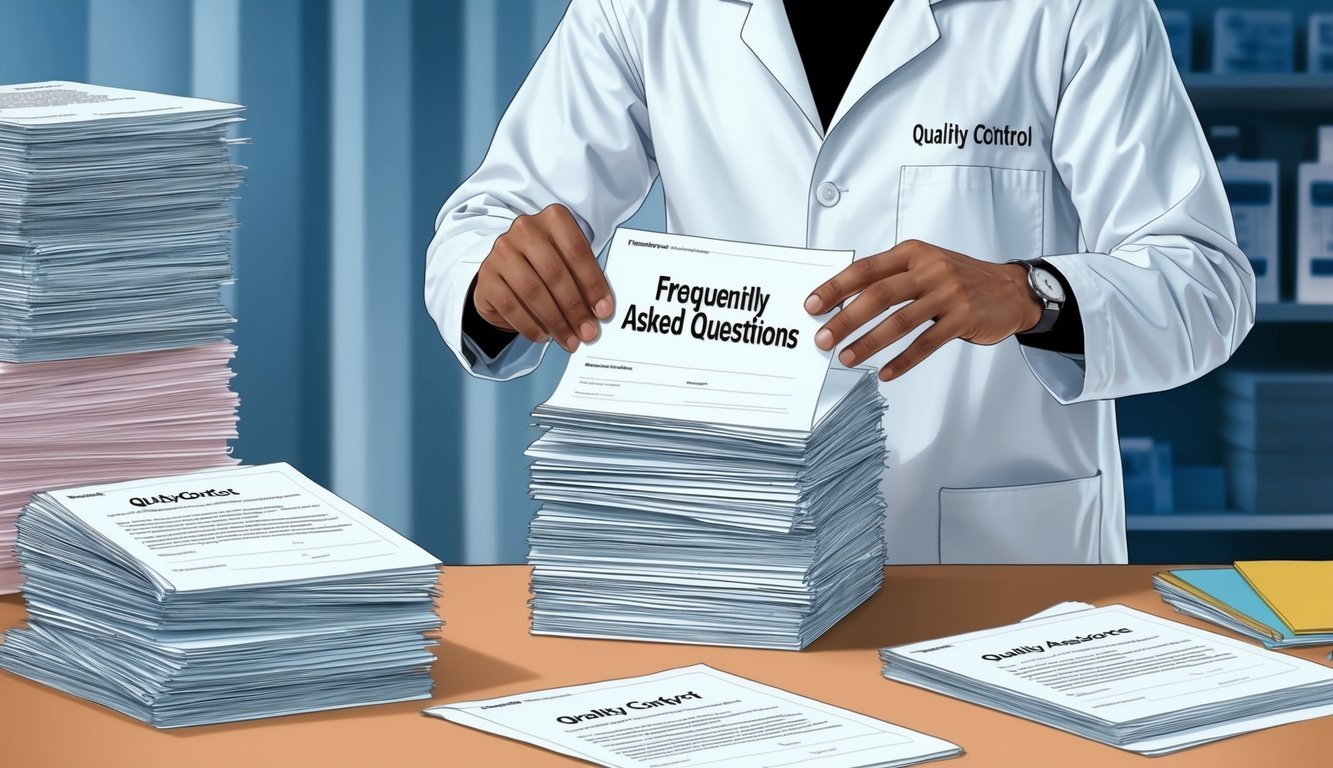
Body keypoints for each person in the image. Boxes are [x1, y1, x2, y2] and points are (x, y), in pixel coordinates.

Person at [424, 0, 1255, 564]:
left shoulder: (1076, 9)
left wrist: (1030, 292)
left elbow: (1206, 281)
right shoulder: (643, 9)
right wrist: (493, 284)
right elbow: (495, 216)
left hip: (990, 562)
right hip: (734, 555)